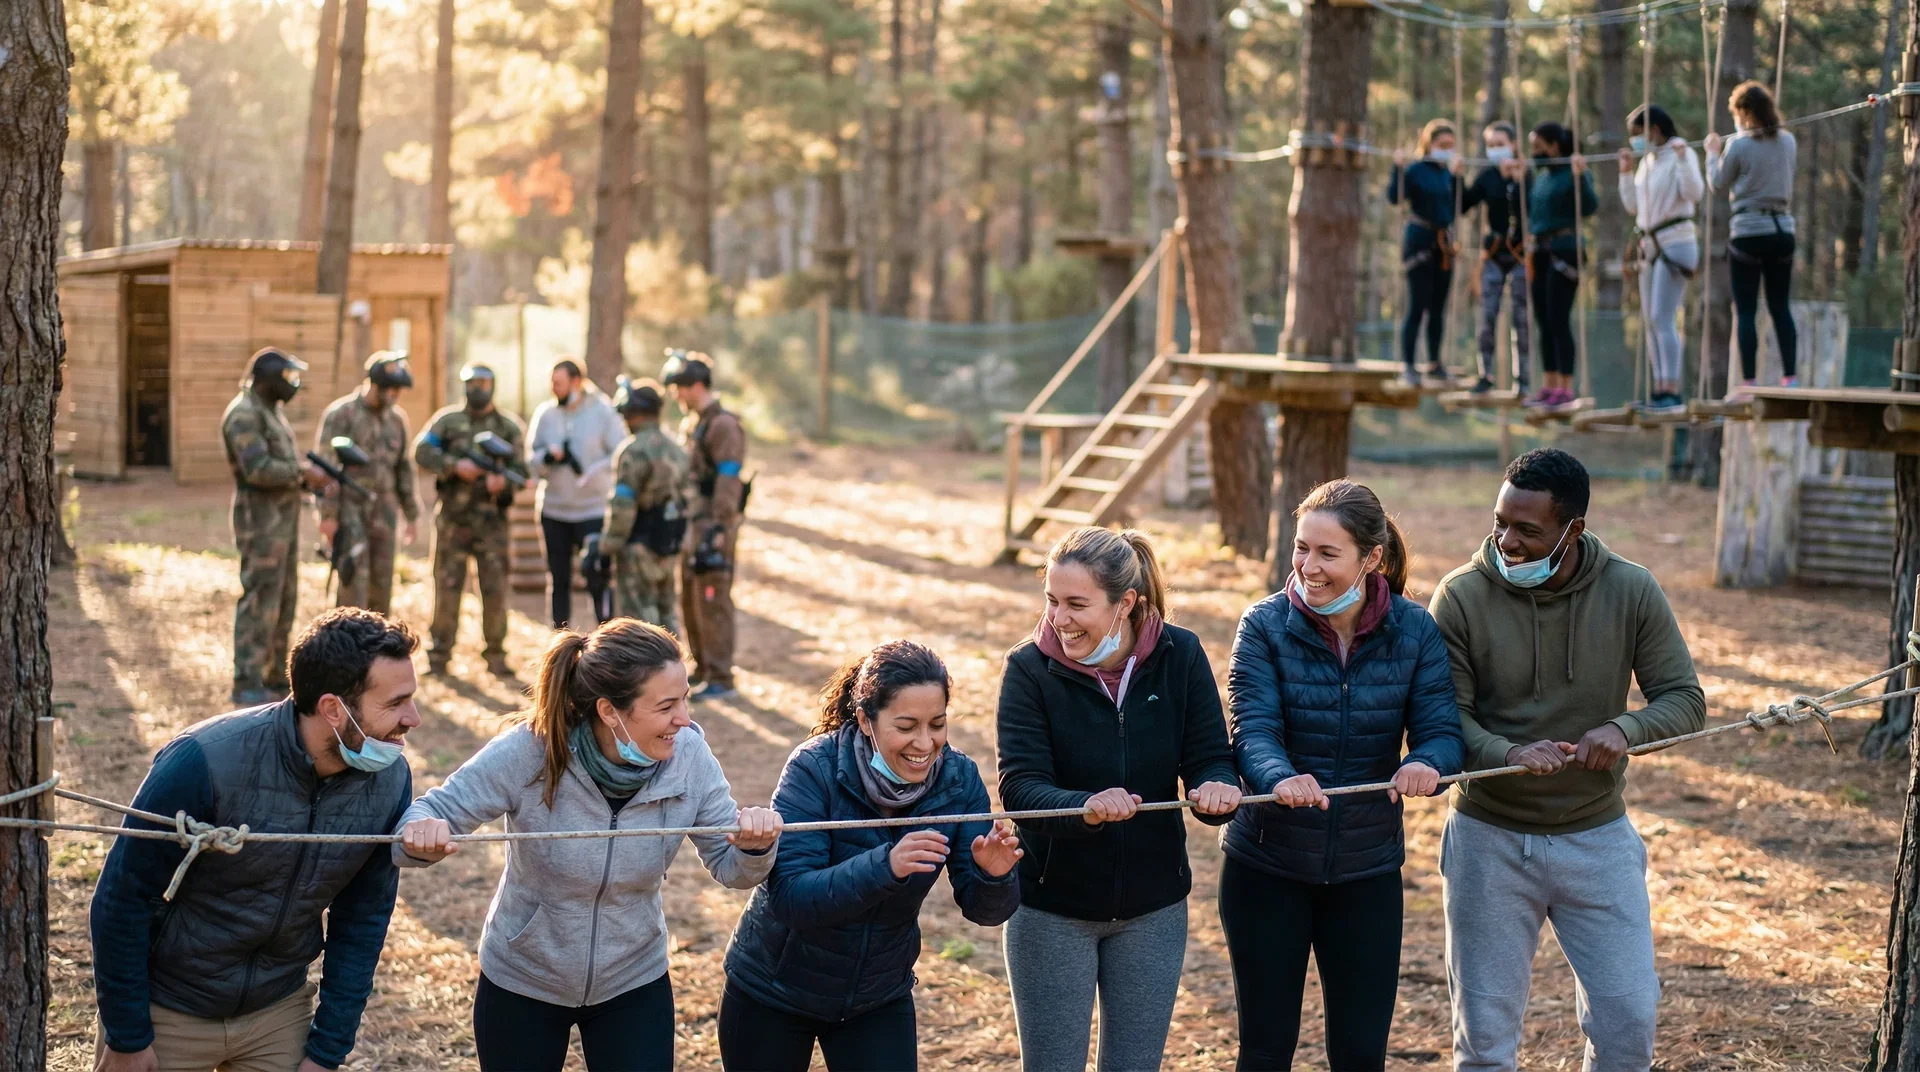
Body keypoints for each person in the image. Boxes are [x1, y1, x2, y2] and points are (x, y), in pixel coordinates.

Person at [393, 618, 781, 1072]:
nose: (684, 719)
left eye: (686, 699)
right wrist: (422, 838)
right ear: (609, 711)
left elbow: (730, 867)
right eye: (666, 706)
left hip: (633, 979)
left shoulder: (689, 756)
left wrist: (755, 847)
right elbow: (428, 814)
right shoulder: (533, 748)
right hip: (523, 979)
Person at [1427, 448, 1706, 1072]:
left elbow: (1686, 700)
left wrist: (1624, 727)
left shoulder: (1631, 589)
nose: (1507, 541)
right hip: (1488, 840)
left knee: (1627, 1022)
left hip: (1596, 836)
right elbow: (1443, 720)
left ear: (1572, 529)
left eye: (1528, 530)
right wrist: (1508, 752)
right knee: (1485, 1042)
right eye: (1501, 522)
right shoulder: (1462, 596)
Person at [91, 608, 421, 1072]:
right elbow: (122, 898)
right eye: (395, 703)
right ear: (332, 708)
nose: (414, 718)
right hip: (167, 1008)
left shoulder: (389, 780)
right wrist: (127, 1036)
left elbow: (363, 919)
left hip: (278, 1009)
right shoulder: (202, 761)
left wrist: (326, 1053)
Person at [1219, 479, 1464, 1072]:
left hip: (1367, 872)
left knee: (1359, 1055)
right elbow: (1251, 729)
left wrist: (1425, 762)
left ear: (1371, 558)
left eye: (1327, 553)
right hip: (1266, 867)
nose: (1308, 566)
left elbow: (1442, 730)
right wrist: (1279, 777)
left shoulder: (1415, 630)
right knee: (1265, 1051)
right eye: (1302, 548)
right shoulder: (1264, 624)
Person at [996, 526, 1242, 1072]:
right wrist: (1086, 806)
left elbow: (1209, 757)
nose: (1059, 619)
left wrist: (1216, 789)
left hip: (1154, 909)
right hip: (1051, 909)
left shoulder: (1181, 655)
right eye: (1052, 601)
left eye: (1077, 604)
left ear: (1126, 602)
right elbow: (1019, 787)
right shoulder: (1029, 670)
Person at [719, 640, 1022, 1071]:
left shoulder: (958, 779)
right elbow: (790, 897)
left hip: (877, 995)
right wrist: (887, 865)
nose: (925, 742)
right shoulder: (815, 767)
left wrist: (993, 876)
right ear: (865, 720)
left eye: (937, 724)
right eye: (906, 725)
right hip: (773, 989)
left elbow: (984, 911)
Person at [222, 347, 335, 705]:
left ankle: (272, 676)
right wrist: (303, 474)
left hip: (281, 522)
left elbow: (279, 466)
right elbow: (257, 470)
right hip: (260, 523)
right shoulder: (243, 414)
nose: (292, 384)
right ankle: (246, 678)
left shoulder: (268, 411)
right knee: (260, 598)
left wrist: (305, 480)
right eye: (286, 377)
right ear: (269, 378)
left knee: (284, 597)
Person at [413, 364, 529, 677]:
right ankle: (439, 656)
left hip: (492, 524)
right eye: (472, 383)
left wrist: (502, 483)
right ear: (464, 386)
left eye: (484, 383)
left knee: (494, 589)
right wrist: (453, 466)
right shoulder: (448, 421)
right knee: (447, 586)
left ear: (493, 385)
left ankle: (495, 655)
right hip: (452, 520)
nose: (478, 389)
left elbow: (523, 473)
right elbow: (421, 452)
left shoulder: (508, 427)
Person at [662, 350, 747, 700]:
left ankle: (721, 676)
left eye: (680, 388)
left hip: (713, 527)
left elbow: (729, 482)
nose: (676, 396)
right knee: (692, 598)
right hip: (693, 525)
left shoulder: (723, 425)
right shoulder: (695, 422)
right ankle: (704, 667)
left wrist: (719, 530)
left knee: (713, 598)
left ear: (697, 385)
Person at [1707, 80, 1800, 394]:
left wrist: (1711, 154)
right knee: (1780, 307)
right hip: (1783, 229)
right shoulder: (1788, 141)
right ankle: (1790, 377)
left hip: (1749, 232)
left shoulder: (1740, 144)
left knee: (1746, 310)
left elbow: (1718, 183)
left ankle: (1749, 381)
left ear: (1745, 112)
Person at [314, 351, 420, 614]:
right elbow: (324, 470)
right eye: (392, 388)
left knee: (382, 586)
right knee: (352, 586)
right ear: (375, 384)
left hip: (385, 513)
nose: (396, 395)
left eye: (399, 390)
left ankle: (377, 650)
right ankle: (347, 650)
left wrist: (411, 513)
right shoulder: (342, 415)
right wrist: (328, 515)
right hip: (350, 512)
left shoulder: (397, 420)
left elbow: (403, 468)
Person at [526, 358, 627, 629]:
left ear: (577, 382)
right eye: (551, 384)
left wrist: (595, 469)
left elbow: (621, 452)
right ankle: (560, 642)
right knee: (558, 580)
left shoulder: (604, 412)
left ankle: (609, 640)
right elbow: (530, 461)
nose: (554, 389)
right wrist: (547, 456)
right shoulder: (545, 414)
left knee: (597, 575)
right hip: (554, 510)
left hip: (593, 509)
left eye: (559, 383)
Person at [1617, 105, 1705, 414]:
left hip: (1676, 242)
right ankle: (1659, 387)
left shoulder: (1681, 155)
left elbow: (1694, 193)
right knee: (1651, 319)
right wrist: (1626, 173)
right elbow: (1633, 207)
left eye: (1637, 134)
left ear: (1653, 131)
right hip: (1650, 244)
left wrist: (1682, 160)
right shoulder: (1648, 163)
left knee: (1662, 316)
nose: (1635, 141)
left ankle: (1672, 387)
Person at [598, 375, 688, 634]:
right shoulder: (676, 449)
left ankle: (647, 673)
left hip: (638, 546)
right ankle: (675, 669)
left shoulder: (633, 450)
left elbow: (623, 505)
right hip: (668, 544)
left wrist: (607, 546)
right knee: (667, 612)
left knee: (641, 622)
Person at [1524, 122, 1599, 410]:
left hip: (1565, 250)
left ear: (1554, 146)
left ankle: (1566, 387)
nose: (1535, 153)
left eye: (1538, 146)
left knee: (1558, 318)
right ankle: (1549, 384)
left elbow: (1589, 207)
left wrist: (1581, 179)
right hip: (1540, 250)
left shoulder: (1574, 172)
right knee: (1544, 321)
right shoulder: (1542, 178)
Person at [1387, 118, 1467, 385]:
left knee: (1437, 308)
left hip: (1443, 245)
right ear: (1429, 144)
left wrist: (1458, 177)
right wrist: (1396, 170)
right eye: (1442, 144)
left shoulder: (1449, 173)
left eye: (1451, 145)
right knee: (1417, 306)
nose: (1447, 149)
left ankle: (1435, 362)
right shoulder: (1416, 171)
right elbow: (1395, 197)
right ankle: (1409, 365)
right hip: (1419, 242)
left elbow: (1459, 207)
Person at [1462, 122, 1533, 397]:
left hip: (1519, 256)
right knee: (1487, 316)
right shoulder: (1487, 176)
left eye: (1500, 143)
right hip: (1493, 254)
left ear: (1513, 144)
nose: (1495, 150)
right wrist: (1458, 177)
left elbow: (1532, 209)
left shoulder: (1525, 175)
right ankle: (1485, 374)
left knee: (1521, 318)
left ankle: (1523, 380)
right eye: (1490, 145)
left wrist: (1518, 181)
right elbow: (1464, 203)